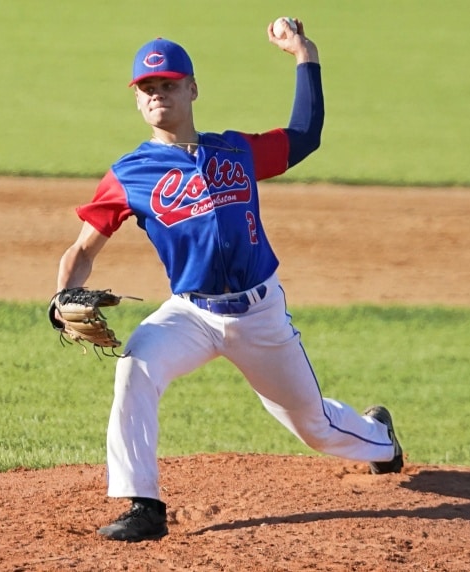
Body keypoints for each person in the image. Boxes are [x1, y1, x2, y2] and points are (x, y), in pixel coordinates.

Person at [54, 18, 403, 542]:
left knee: (314, 427)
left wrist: (304, 53)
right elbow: (82, 248)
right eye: (147, 89)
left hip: (260, 315)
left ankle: (382, 441)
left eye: (167, 85)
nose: (157, 96)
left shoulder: (236, 152)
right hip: (190, 313)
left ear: (192, 89)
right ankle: (143, 505)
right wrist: (60, 298)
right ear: (137, 99)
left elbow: (305, 135)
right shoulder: (129, 173)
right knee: (135, 369)